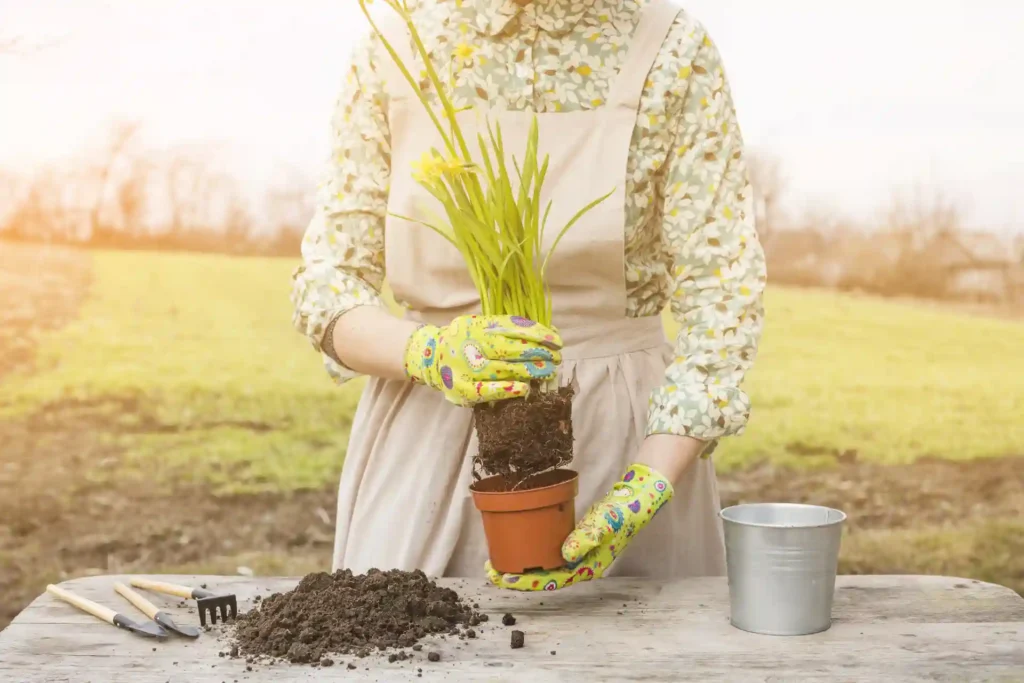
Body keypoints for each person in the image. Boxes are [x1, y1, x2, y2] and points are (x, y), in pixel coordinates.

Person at [291, 0, 766, 589]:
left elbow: (723, 291)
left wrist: (649, 479)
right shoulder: (396, 46)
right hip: (425, 444)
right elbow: (328, 283)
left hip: (628, 437)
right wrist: (429, 352)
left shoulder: (671, 49)